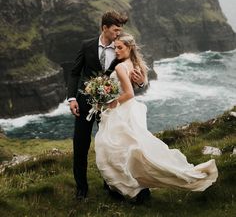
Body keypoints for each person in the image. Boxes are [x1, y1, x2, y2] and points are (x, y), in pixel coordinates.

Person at [95, 32, 218, 202]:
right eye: (115, 47)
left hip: (122, 109)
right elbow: (139, 84)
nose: (116, 50)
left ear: (129, 47)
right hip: (129, 110)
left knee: (111, 146)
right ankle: (127, 186)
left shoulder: (120, 67)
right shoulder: (134, 64)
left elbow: (129, 93)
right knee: (127, 147)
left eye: (120, 47)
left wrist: (110, 103)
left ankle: (126, 188)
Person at [67, 11, 145, 200]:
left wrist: (141, 82)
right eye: (115, 30)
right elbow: (75, 72)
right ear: (104, 28)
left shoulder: (121, 48)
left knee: (110, 147)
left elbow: (134, 71)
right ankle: (81, 188)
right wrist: (72, 98)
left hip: (111, 108)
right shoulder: (87, 45)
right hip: (84, 104)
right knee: (80, 145)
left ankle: (110, 185)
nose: (118, 34)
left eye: (120, 30)